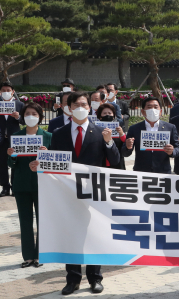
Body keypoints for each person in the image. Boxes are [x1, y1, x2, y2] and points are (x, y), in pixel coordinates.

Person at [30, 91, 120, 295]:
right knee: (71, 234)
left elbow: (115, 161)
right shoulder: (59, 133)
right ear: (68, 109)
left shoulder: (100, 132)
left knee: (93, 235)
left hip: (93, 193)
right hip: (67, 194)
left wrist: (109, 142)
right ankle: (72, 279)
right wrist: (40, 164)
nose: (81, 107)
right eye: (76, 104)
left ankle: (95, 278)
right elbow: (53, 165)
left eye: (84, 104)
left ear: (90, 108)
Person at [7, 102, 50, 269]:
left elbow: (55, 163)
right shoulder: (16, 136)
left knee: (43, 221)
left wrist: (46, 155)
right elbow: (11, 163)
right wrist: (12, 155)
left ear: (40, 117)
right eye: (27, 114)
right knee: (25, 221)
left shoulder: (48, 136)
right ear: (23, 117)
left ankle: (40, 255)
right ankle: (28, 257)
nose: (30, 116)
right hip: (21, 184)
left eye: (34, 113)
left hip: (42, 185)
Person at [122, 96, 179, 174]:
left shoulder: (170, 127)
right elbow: (125, 153)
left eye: (156, 107)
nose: (153, 110)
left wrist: (172, 151)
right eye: (149, 107)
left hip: (163, 172)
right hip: (141, 172)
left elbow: (177, 149)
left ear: (160, 111)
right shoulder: (134, 128)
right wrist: (128, 147)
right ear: (143, 112)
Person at [0, 82, 23, 197]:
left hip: (14, 138)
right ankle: (5, 187)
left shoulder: (19, 104)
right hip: (1, 139)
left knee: (15, 162)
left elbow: (24, 120)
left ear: (13, 91)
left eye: (8, 90)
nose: (6, 92)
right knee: (2, 163)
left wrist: (18, 116)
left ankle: (15, 186)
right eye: (3, 90)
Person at [97, 103, 127, 170]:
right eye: (104, 113)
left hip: (117, 162)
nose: (107, 115)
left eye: (109, 113)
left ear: (114, 116)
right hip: (101, 163)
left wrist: (121, 133)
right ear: (100, 116)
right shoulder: (95, 128)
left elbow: (125, 143)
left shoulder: (119, 127)